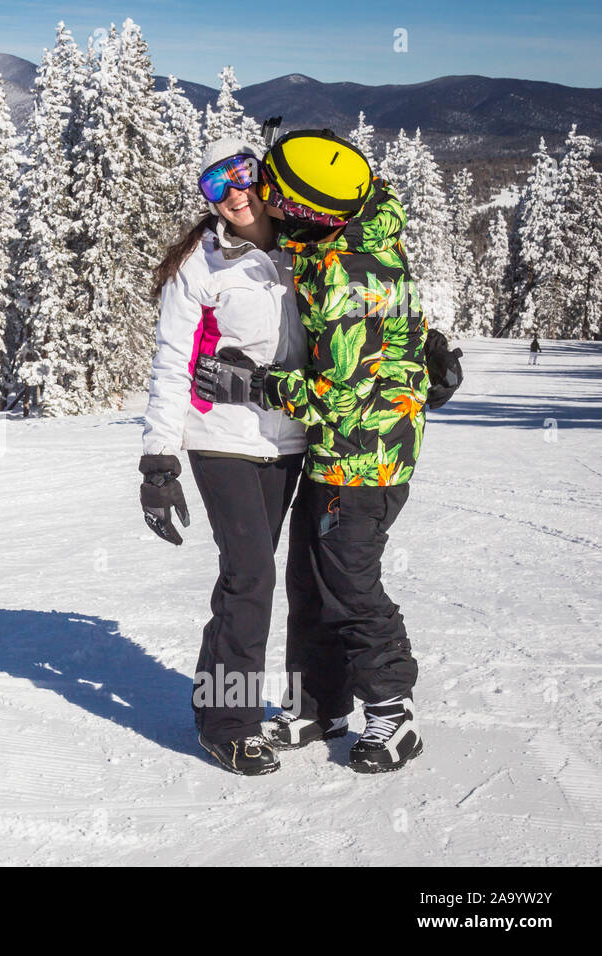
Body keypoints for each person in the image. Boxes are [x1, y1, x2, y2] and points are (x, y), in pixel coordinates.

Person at [193, 128, 459, 773]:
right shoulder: (345, 230)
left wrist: (253, 383)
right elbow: (388, 327)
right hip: (338, 450)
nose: (267, 202)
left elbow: (337, 395)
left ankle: (393, 712)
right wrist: (420, 354)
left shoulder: (345, 273)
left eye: (277, 196)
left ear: (311, 213)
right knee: (310, 578)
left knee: (349, 584)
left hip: (365, 456)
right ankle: (319, 704)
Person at [139, 138, 308, 775]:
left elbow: (361, 307)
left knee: (250, 577)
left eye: (241, 176)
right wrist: (158, 462)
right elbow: (171, 362)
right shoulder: (200, 264)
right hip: (220, 437)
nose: (235, 193)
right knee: (252, 578)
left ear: (262, 175)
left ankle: (215, 699)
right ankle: (230, 725)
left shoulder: (304, 244)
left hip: (290, 438)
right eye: (218, 186)